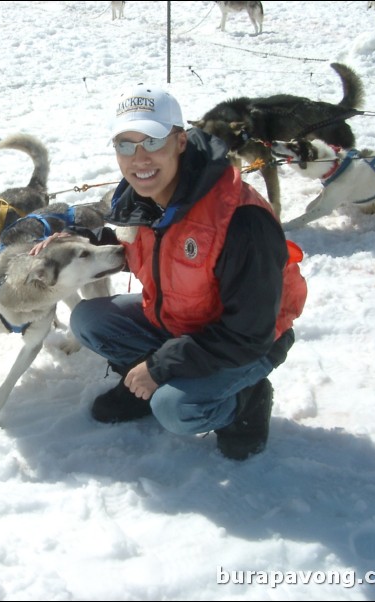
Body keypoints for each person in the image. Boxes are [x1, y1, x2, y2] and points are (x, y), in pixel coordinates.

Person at [65, 83, 307, 460]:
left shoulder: (240, 219)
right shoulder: (144, 198)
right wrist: (71, 239)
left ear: (181, 141)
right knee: (89, 319)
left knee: (176, 408)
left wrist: (160, 367)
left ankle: (246, 401)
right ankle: (141, 386)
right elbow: (141, 249)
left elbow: (249, 332)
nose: (139, 158)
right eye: (125, 145)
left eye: (153, 141)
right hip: (181, 321)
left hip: (250, 342)